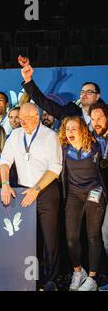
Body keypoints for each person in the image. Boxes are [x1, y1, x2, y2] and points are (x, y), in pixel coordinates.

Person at [0, 103, 63, 291]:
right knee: (28, 238)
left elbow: (55, 168)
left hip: (46, 190)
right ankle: (32, 278)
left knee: (50, 236)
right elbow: (4, 161)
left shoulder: (49, 136)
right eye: (20, 120)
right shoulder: (16, 135)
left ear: (37, 117)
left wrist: (37, 189)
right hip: (23, 190)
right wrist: (4, 183)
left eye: (26, 120)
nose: (22, 123)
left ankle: (53, 279)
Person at [58, 116, 106, 291]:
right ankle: (78, 272)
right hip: (74, 195)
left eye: (74, 128)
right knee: (71, 238)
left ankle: (92, 278)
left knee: (93, 235)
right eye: (67, 129)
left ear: (83, 129)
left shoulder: (95, 146)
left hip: (95, 192)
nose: (70, 132)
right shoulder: (63, 149)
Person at [18, 55, 102, 129]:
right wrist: (28, 79)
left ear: (97, 96)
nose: (84, 94)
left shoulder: (105, 114)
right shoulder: (69, 111)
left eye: (89, 92)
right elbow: (43, 101)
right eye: (82, 92)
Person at [88, 102, 108, 291]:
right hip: (100, 193)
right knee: (103, 234)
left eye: (100, 118)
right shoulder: (92, 139)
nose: (96, 122)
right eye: (93, 119)